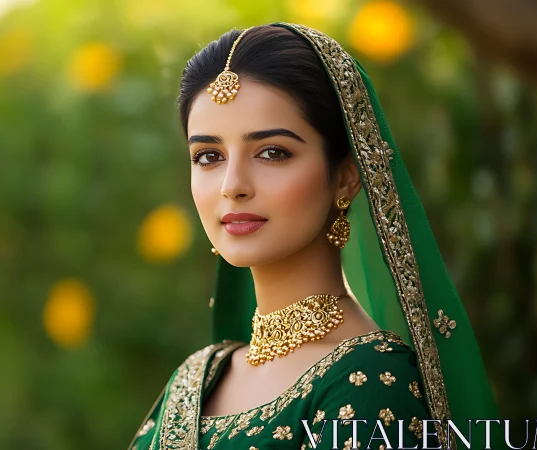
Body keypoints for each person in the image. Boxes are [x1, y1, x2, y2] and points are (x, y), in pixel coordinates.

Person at [129, 23, 500, 450]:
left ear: (346, 176)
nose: (232, 185)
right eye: (209, 156)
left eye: (272, 152)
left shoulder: (368, 381)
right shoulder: (196, 379)